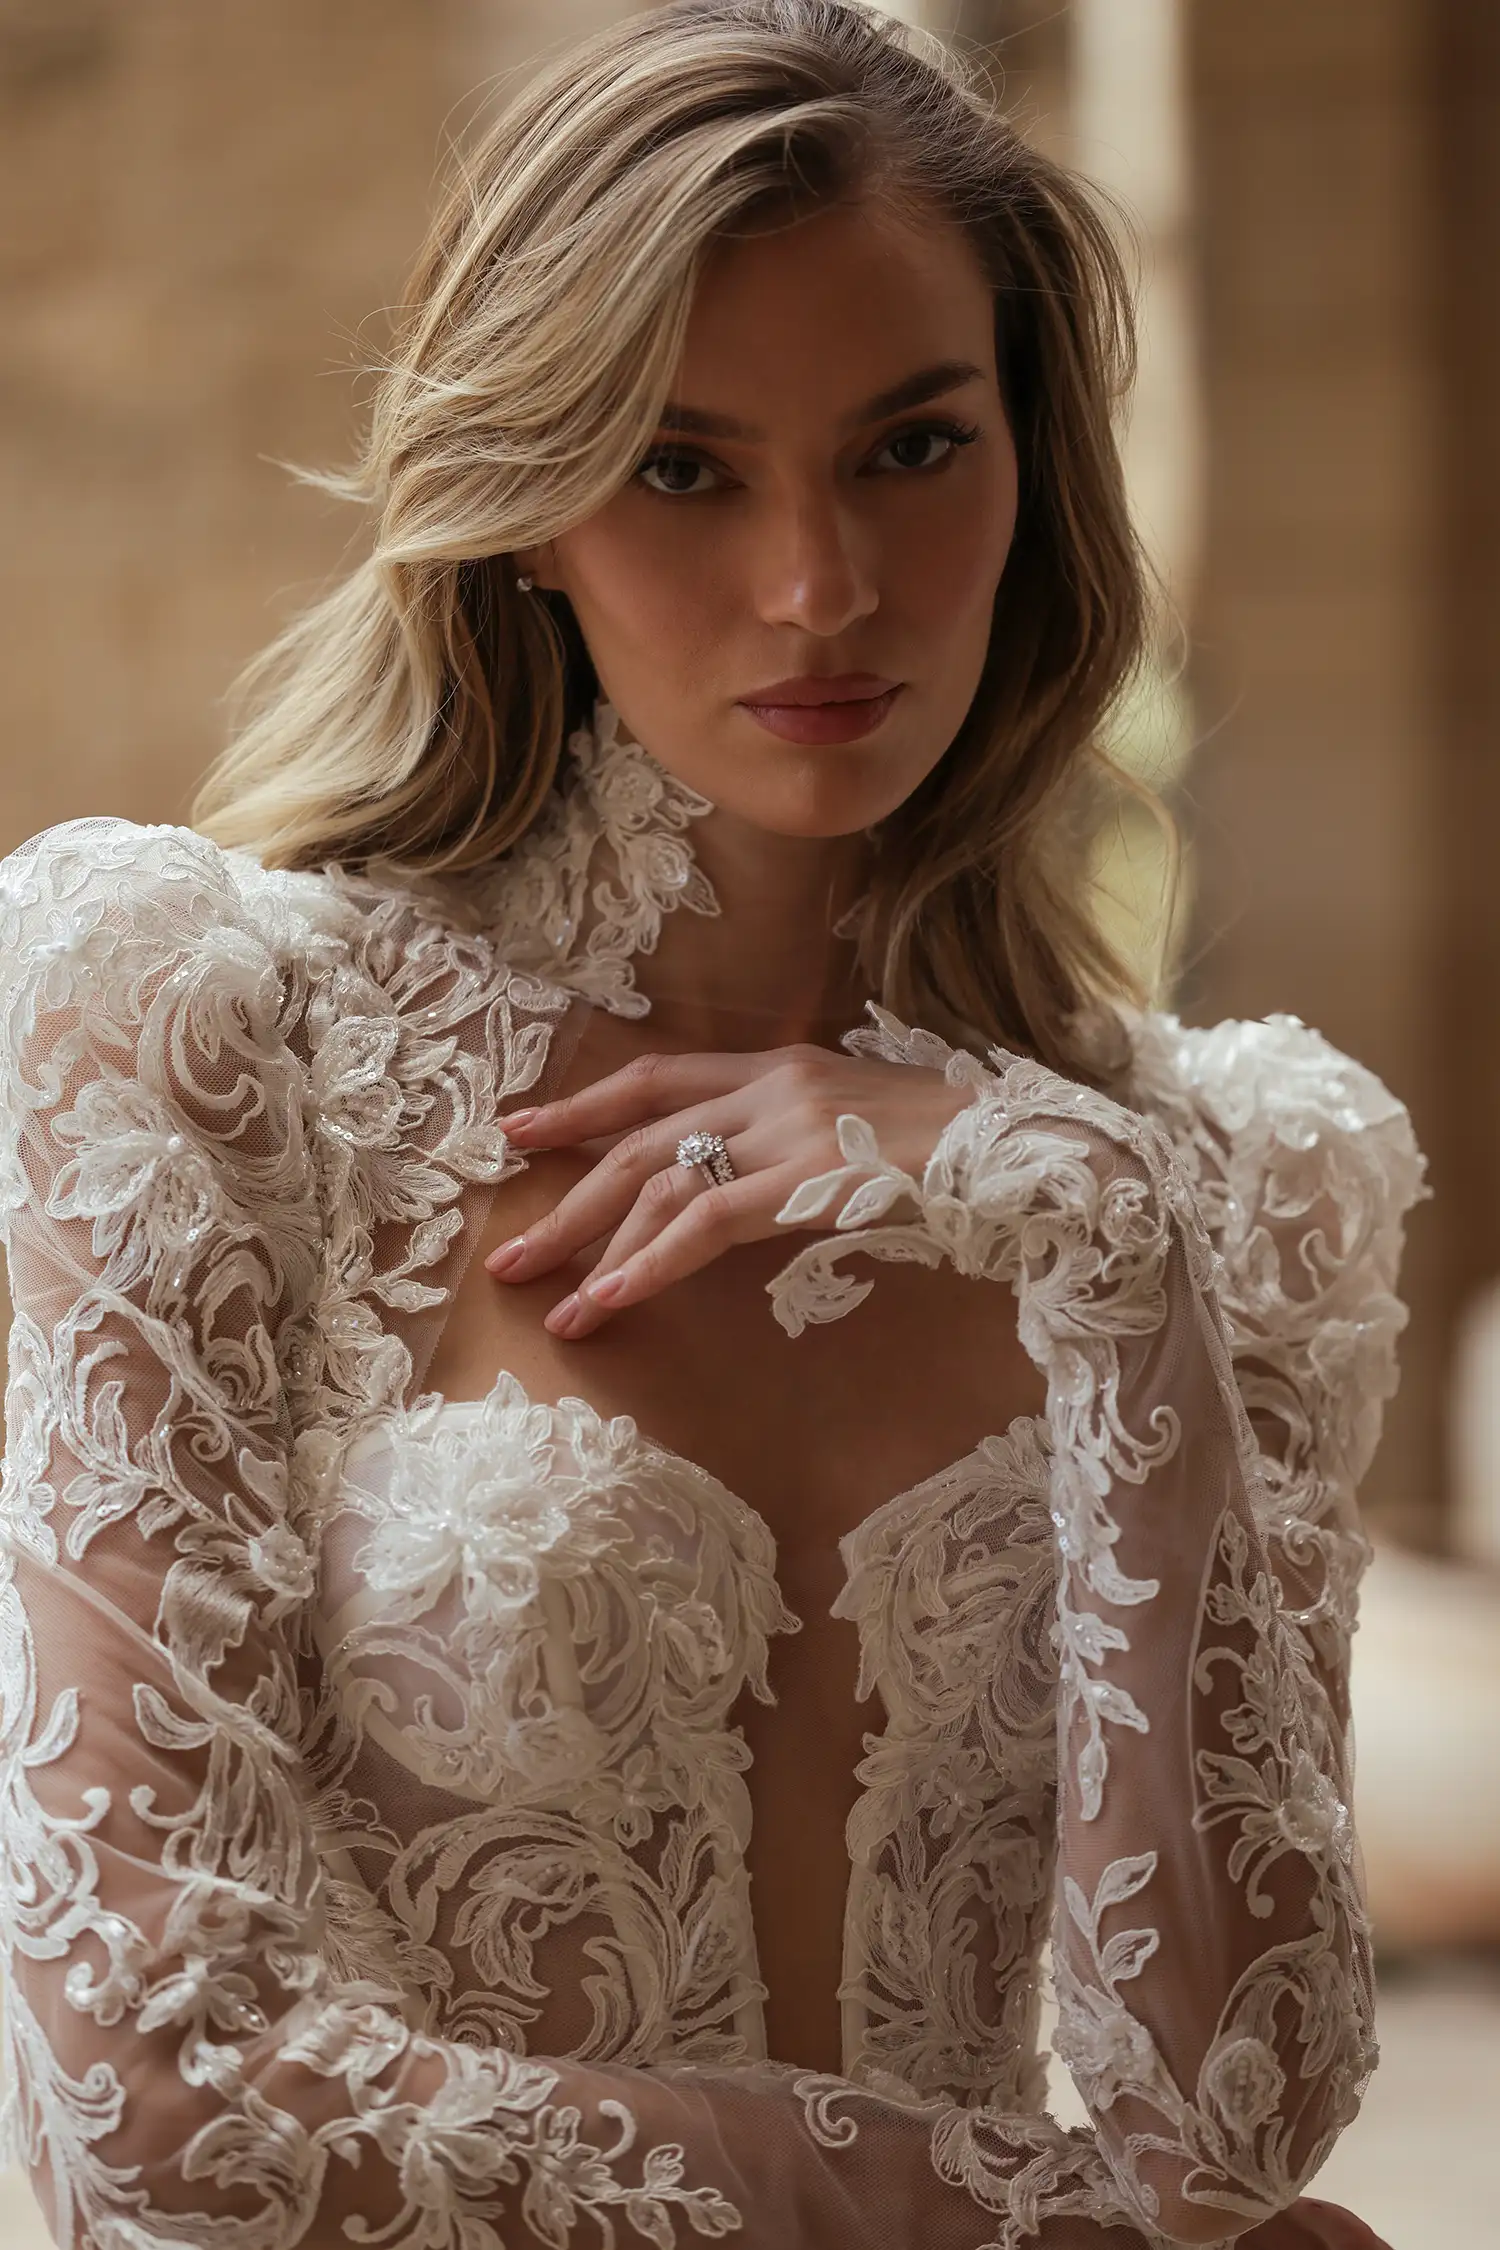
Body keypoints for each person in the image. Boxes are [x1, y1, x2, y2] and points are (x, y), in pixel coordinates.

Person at [0, 5, 1424, 2244]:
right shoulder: (203, 1031)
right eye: (684, 467)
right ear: (531, 511)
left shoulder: (1225, 1185)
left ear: (1035, 463)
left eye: (911, 449)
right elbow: (154, 2097)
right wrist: (1023, 2222)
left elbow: (1234, 2124)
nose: (820, 587)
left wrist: (1098, 1252)